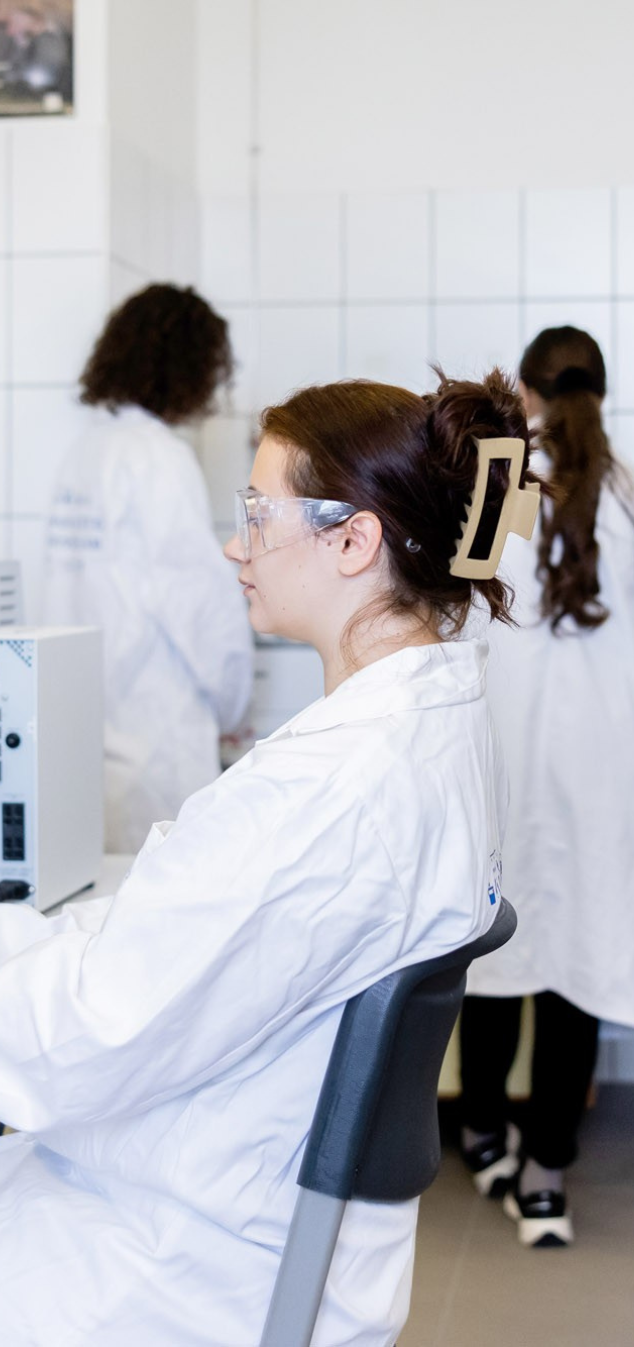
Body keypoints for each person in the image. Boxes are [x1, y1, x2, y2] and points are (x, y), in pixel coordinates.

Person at [0, 369, 537, 1346]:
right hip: (238, 1212)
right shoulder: (419, 723)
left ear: (351, 540)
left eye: (257, 514)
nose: (236, 546)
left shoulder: (328, 789)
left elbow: (81, 1035)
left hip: (182, 1258)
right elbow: (164, 939)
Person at [457, 327, 634, 1248]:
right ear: (597, 395)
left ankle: (481, 1131)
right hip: (596, 781)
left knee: (493, 950)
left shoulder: (501, 479)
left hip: (505, 763)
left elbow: (458, 619)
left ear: (524, 391)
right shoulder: (625, 493)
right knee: (571, 964)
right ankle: (545, 1177)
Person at [42, 283, 253, 853]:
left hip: (88, 728)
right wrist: (234, 702)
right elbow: (200, 600)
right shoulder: (158, 456)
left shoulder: (86, 452)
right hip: (156, 734)